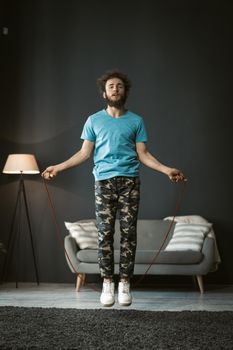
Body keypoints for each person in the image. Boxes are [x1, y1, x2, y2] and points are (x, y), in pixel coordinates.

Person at [42, 70, 186, 307]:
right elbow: (84, 153)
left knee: (129, 234)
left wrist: (166, 169)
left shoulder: (136, 121)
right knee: (104, 234)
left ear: (125, 91)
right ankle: (108, 282)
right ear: (104, 92)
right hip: (104, 182)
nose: (115, 89)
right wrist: (58, 167)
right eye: (111, 86)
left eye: (119, 86)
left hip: (130, 182)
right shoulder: (94, 120)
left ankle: (125, 284)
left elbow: (144, 154)